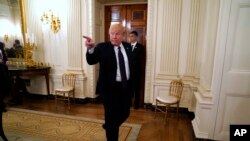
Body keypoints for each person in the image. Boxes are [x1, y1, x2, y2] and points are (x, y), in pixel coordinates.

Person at [83, 23, 133, 141]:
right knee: (111, 118)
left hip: (125, 88)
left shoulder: (128, 47)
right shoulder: (102, 47)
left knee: (125, 113)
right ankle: (111, 130)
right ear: (109, 34)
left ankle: (110, 125)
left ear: (123, 35)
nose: (114, 36)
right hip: (110, 90)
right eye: (112, 33)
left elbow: (131, 67)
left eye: (117, 34)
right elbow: (91, 60)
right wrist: (90, 49)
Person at [129, 31, 145, 109]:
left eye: (132, 36)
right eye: (130, 36)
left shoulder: (140, 47)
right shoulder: (127, 46)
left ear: (135, 37)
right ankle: (128, 103)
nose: (130, 38)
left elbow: (139, 59)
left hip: (136, 72)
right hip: (128, 72)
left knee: (136, 89)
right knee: (128, 88)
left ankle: (136, 105)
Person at [0, 42, 11, 112]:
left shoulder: (1, 47)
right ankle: (1, 105)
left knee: (5, 86)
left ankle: (1, 103)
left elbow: (5, 58)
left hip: (3, 70)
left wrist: (7, 61)